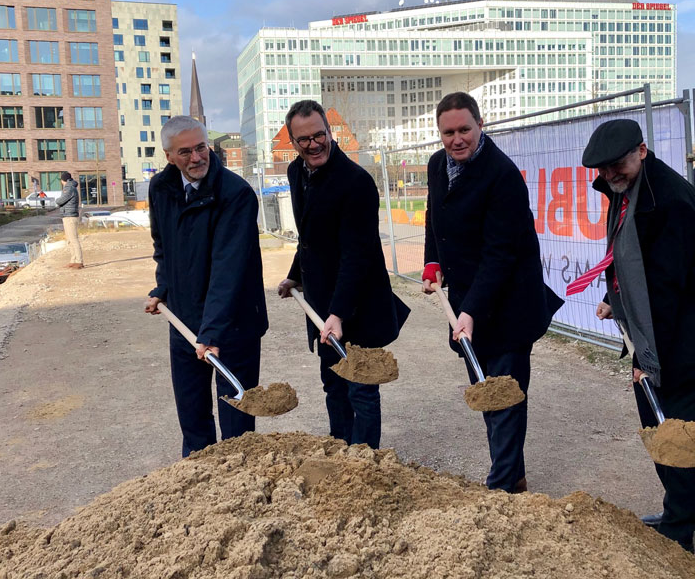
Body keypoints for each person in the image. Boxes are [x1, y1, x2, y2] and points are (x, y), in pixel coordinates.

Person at [577, 119, 695, 553]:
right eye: (603, 168)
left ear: (642, 151)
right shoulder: (629, 190)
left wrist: (644, 361)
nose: (610, 175)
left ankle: (679, 530)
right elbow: (628, 258)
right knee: (669, 423)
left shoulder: (670, 201)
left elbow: (665, 289)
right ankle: (690, 508)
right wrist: (617, 298)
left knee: (672, 430)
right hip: (670, 325)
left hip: (691, 332)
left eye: (618, 165)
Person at [421, 92, 563, 494]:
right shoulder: (436, 165)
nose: (456, 139)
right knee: (487, 393)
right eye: (448, 132)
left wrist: (470, 311)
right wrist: (434, 262)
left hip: (510, 304)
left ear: (481, 125)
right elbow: (436, 217)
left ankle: (499, 488)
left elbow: (501, 254)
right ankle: (512, 475)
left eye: (464, 129)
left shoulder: (502, 175)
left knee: (504, 396)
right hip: (470, 301)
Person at [276, 100, 409, 450]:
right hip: (323, 305)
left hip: (358, 305)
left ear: (330, 132)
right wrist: (295, 276)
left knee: (361, 388)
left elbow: (357, 256)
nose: (313, 144)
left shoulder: (356, 183)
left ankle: (365, 461)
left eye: (319, 135)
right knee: (333, 383)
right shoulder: (296, 173)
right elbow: (310, 235)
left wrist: (337, 314)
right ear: (293, 141)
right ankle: (341, 452)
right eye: (303, 139)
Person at [144, 115, 269, 457]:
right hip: (185, 323)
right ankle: (200, 491)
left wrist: (212, 333)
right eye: (186, 152)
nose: (197, 158)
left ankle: (240, 490)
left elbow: (229, 270)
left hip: (233, 325)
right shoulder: (161, 189)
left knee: (237, 424)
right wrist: (163, 288)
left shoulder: (236, 194)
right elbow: (163, 247)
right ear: (169, 156)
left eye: (202, 148)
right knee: (193, 419)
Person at [55, 171, 83, 269]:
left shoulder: (69, 188)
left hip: (70, 216)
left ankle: (79, 261)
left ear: (63, 180)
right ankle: (73, 260)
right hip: (67, 215)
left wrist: (56, 201)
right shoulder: (71, 187)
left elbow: (60, 200)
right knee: (69, 240)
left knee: (73, 239)